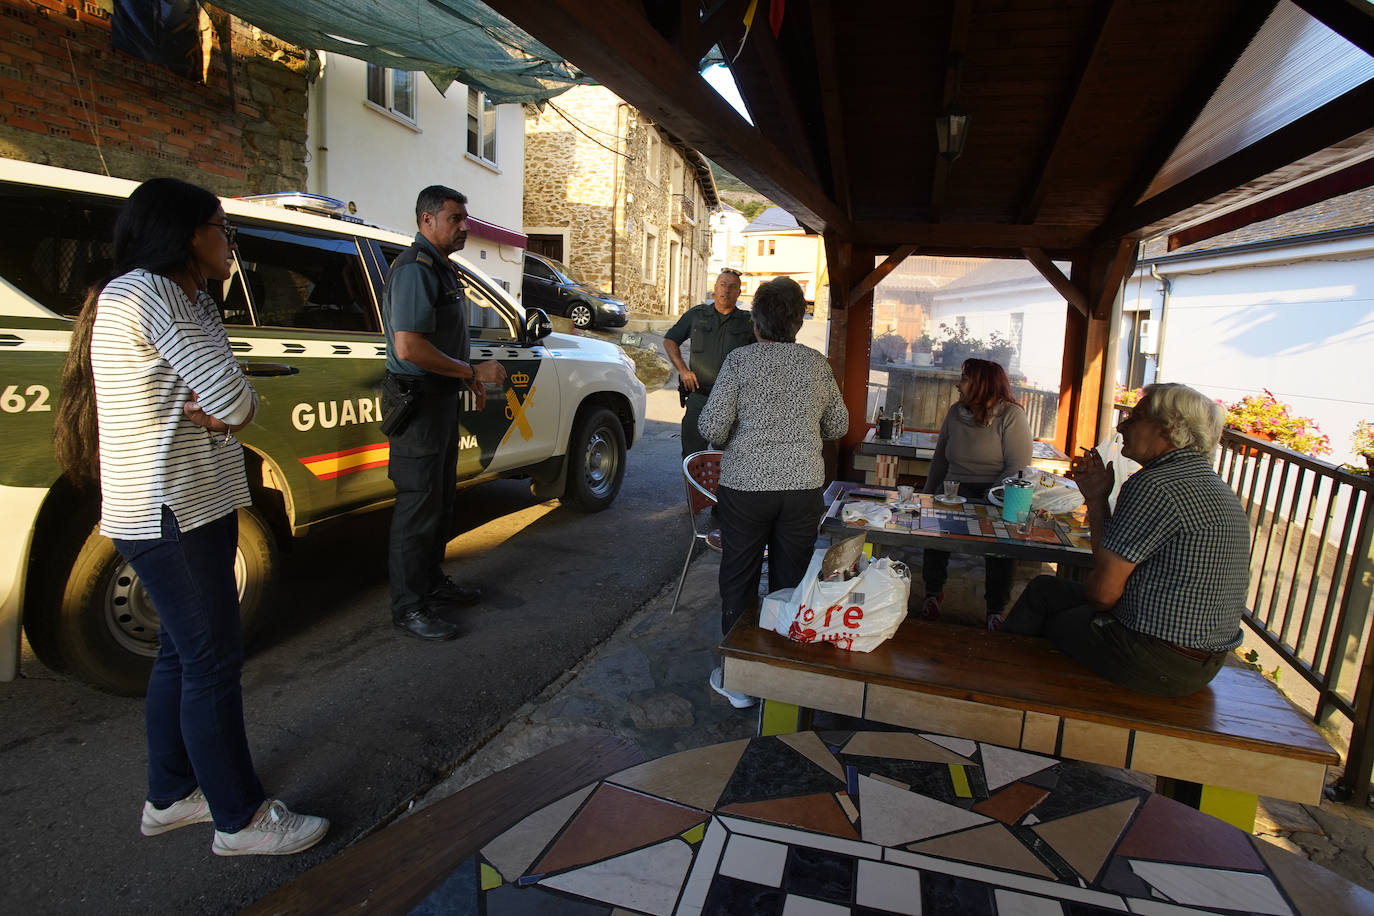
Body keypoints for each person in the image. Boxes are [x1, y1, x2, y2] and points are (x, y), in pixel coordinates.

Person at [53, 178, 328, 856]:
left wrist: (216, 407)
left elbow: (220, 398)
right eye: (219, 227)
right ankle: (240, 820)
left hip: (180, 506)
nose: (229, 241)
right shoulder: (155, 296)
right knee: (211, 662)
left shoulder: (180, 297)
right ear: (185, 236)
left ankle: (171, 797)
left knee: (181, 656)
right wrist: (219, 410)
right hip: (171, 510)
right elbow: (235, 403)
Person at [1000, 383, 1250, 697]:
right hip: (1203, 663)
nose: (1121, 426)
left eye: (1136, 417)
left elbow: (1103, 596)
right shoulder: (1213, 485)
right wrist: (1097, 499)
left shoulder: (1154, 485)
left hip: (1154, 658)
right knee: (1045, 589)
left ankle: (1001, 685)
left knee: (1048, 613)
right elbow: (1111, 568)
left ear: (1168, 427)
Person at [697, 277, 848, 707]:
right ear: (799, 321)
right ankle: (783, 675)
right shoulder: (816, 364)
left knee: (739, 576)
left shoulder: (740, 362)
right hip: (801, 488)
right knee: (791, 578)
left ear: (756, 321)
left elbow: (711, 428)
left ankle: (739, 681)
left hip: (745, 489)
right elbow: (838, 427)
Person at [381, 185, 506, 641]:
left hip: (438, 401)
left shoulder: (441, 268)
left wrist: (463, 376)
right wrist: (469, 370)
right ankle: (409, 608)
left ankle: (431, 585)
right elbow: (410, 347)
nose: (464, 226)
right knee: (417, 508)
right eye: (455, 218)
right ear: (427, 220)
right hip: (419, 405)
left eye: (463, 218)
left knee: (437, 502)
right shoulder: (416, 270)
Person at [920, 358, 1033, 630]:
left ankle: (996, 609)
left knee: (1000, 551)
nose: (958, 383)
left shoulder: (1011, 415)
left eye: (965, 378)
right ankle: (933, 594)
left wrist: (991, 497)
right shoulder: (955, 412)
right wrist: (926, 496)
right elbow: (940, 460)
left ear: (982, 383)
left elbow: (1018, 465)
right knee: (935, 537)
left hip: (995, 493)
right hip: (953, 490)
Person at [663, 268, 754, 457]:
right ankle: (694, 488)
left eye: (732, 287)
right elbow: (670, 340)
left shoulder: (748, 322)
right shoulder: (697, 315)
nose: (726, 291)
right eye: (723, 285)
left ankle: (723, 488)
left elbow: (763, 355)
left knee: (731, 459)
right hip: (699, 399)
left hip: (732, 404)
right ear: (715, 287)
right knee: (692, 456)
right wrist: (683, 370)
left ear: (739, 292)